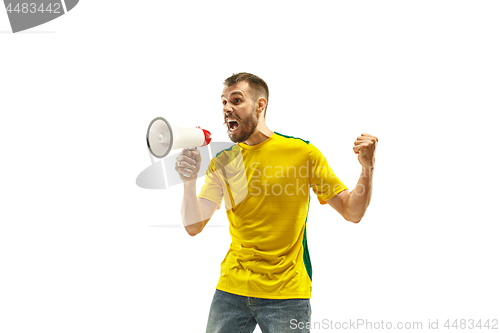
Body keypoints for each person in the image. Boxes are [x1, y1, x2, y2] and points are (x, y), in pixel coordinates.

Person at [175, 73, 378, 333]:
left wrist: (368, 168)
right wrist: (188, 182)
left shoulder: (302, 153)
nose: (227, 108)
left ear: (260, 106)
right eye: (224, 102)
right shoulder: (223, 162)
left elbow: (352, 212)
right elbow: (194, 226)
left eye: (236, 100)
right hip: (231, 291)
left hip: (287, 294)